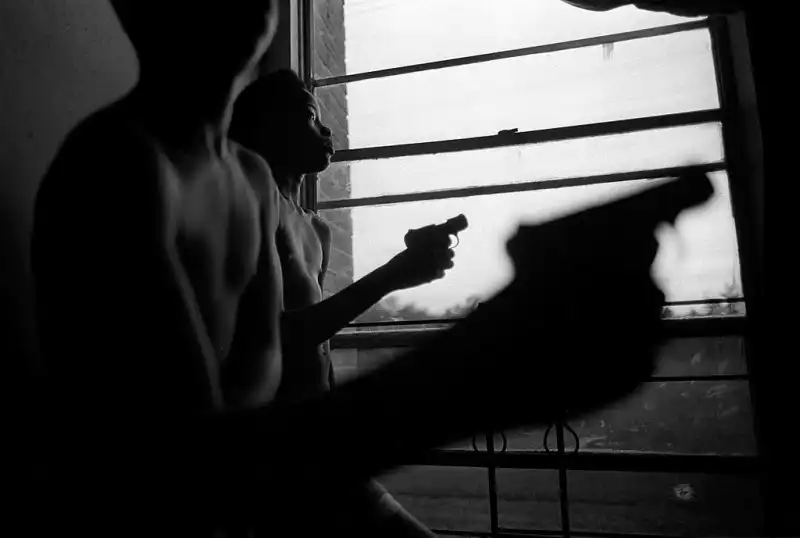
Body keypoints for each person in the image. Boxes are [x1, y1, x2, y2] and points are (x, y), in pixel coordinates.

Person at [31, 0, 671, 535]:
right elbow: (182, 470)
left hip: (285, 468)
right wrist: (477, 369)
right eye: (306, 113)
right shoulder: (116, 163)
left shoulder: (249, 179)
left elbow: (263, 372)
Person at [230, 69, 453, 537]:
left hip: (317, 446)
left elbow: (319, 346)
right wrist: (394, 273)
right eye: (311, 116)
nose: (327, 129)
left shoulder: (318, 229)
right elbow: (276, 337)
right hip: (270, 454)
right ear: (269, 126)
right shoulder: (251, 204)